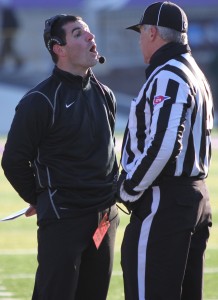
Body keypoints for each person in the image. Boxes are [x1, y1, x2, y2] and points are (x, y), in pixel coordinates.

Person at [1, 14, 119, 300]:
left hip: (105, 217)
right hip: (64, 218)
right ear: (59, 48)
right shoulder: (39, 101)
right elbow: (14, 160)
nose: (90, 37)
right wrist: (40, 197)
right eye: (79, 33)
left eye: (89, 32)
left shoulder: (105, 95)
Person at [117, 2, 214, 300]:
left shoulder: (168, 75)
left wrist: (129, 189)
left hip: (165, 199)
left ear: (153, 33)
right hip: (193, 197)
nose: (139, 41)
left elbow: (165, 144)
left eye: (141, 33)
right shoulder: (193, 71)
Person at [0, 0, 23, 69]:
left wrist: (7, 30)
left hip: (9, 32)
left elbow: (10, 23)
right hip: (8, 31)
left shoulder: (7, 12)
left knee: (6, 47)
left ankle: (1, 63)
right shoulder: (7, 11)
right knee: (8, 47)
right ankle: (19, 62)